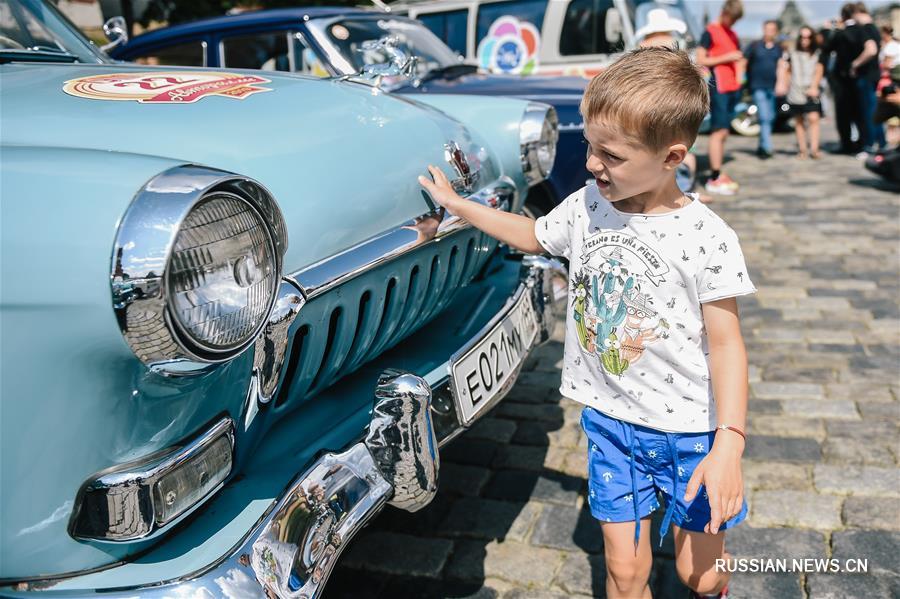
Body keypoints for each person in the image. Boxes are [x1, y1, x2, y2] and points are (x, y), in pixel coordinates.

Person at [419, 47, 755, 599]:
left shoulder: (707, 238)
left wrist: (729, 446)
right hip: (612, 427)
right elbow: (533, 235)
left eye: (612, 156)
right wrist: (460, 205)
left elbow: (727, 345)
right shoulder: (586, 205)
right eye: (592, 148)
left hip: (693, 433)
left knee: (701, 576)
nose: (594, 164)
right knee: (624, 575)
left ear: (672, 157)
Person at [696, 0, 744, 195]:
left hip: (733, 87)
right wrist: (727, 58)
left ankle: (717, 172)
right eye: (731, 19)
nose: (732, 23)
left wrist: (740, 79)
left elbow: (739, 58)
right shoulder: (710, 31)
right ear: (724, 13)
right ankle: (714, 176)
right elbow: (701, 60)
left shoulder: (733, 34)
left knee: (725, 132)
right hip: (719, 86)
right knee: (719, 131)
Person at [744, 20, 785, 159]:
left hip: (772, 87)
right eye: (767, 29)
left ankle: (762, 146)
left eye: (772, 29)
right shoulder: (755, 46)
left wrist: (781, 83)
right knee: (764, 116)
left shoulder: (778, 48)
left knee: (771, 116)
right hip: (757, 86)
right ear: (763, 29)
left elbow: (781, 66)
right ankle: (767, 148)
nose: (769, 32)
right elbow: (744, 62)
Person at [784, 25, 825, 158]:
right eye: (802, 37)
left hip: (811, 90)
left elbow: (819, 70)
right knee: (799, 120)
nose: (804, 40)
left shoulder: (817, 53)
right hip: (796, 91)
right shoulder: (793, 53)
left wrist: (814, 86)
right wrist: (787, 84)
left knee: (814, 118)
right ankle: (802, 149)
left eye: (808, 37)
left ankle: (814, 148)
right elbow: (788, 71)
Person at [848, 3, 884, 153]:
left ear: (856, 13)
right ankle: (880, 143)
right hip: (874, 75)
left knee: (868, 112)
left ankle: (870, 145)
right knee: (875, 111)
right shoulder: (874, 28)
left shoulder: (864, 29)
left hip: (866, 76)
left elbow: (871, 50)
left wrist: (855, 64)